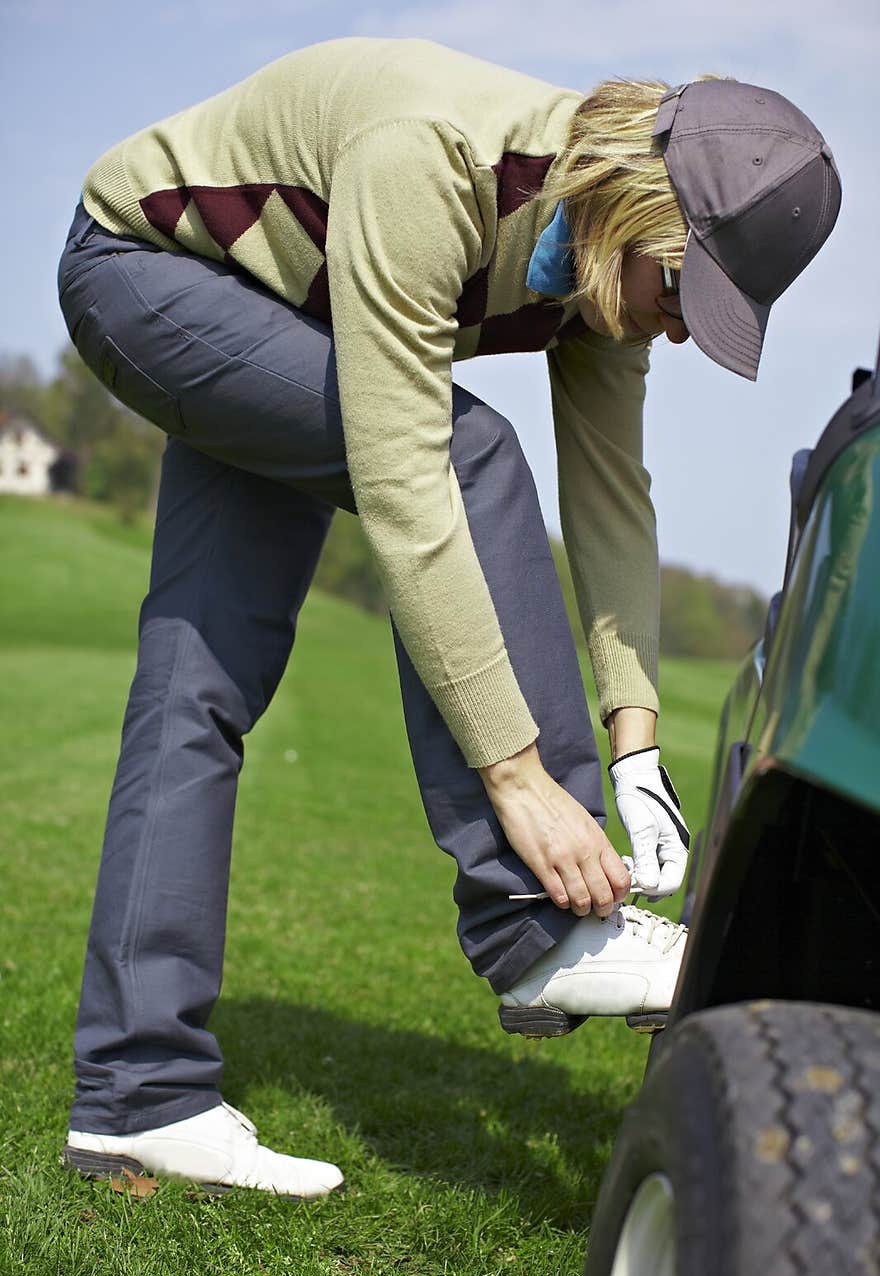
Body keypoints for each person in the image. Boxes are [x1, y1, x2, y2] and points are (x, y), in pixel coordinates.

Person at [54, 37, 841, 1200]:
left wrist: (634, 748)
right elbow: (412, 489)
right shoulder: (433, 161)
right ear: (632, 201)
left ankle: (137, 1097)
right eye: (681, 291)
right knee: (470, 453)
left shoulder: (600, 271)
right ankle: (539, 927)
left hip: (283, 313)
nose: (676, 328)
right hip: (146, 277)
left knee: (196, 690)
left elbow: (613, 498)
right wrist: (520, 779)